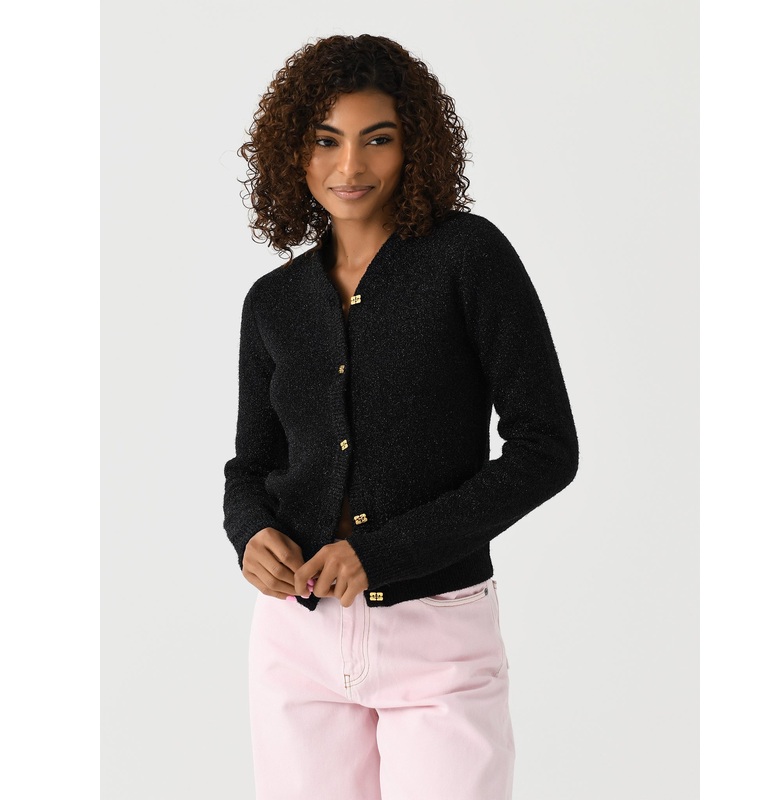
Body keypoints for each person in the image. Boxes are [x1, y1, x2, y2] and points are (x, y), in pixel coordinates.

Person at [223, 33, 579, 800]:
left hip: (438, 637)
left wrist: (380, 553)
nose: (350, 166)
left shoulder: (469, 259)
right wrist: (249, 532)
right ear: (293, 151)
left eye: (377, 139)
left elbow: (546, 448)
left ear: (413, 145)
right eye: (327, 140)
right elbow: (251, 466)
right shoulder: (273, 303)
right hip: (296, 642)